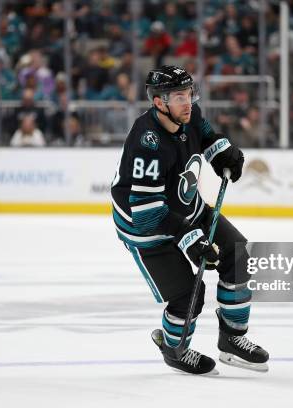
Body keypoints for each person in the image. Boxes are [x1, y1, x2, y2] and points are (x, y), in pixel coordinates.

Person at [110, 65, 269, 375]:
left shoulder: (189, 114)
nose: (188, 102)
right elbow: (147, 213)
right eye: (179, 96)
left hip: (186, 208)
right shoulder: (147, 143)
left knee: (238, 253)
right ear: (159, 102)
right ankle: (174, 348)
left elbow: (207, 137)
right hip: (146, 228)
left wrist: (223, 153)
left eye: (189, 94)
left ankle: (232, 339)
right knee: (187, 297)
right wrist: (191, 240)